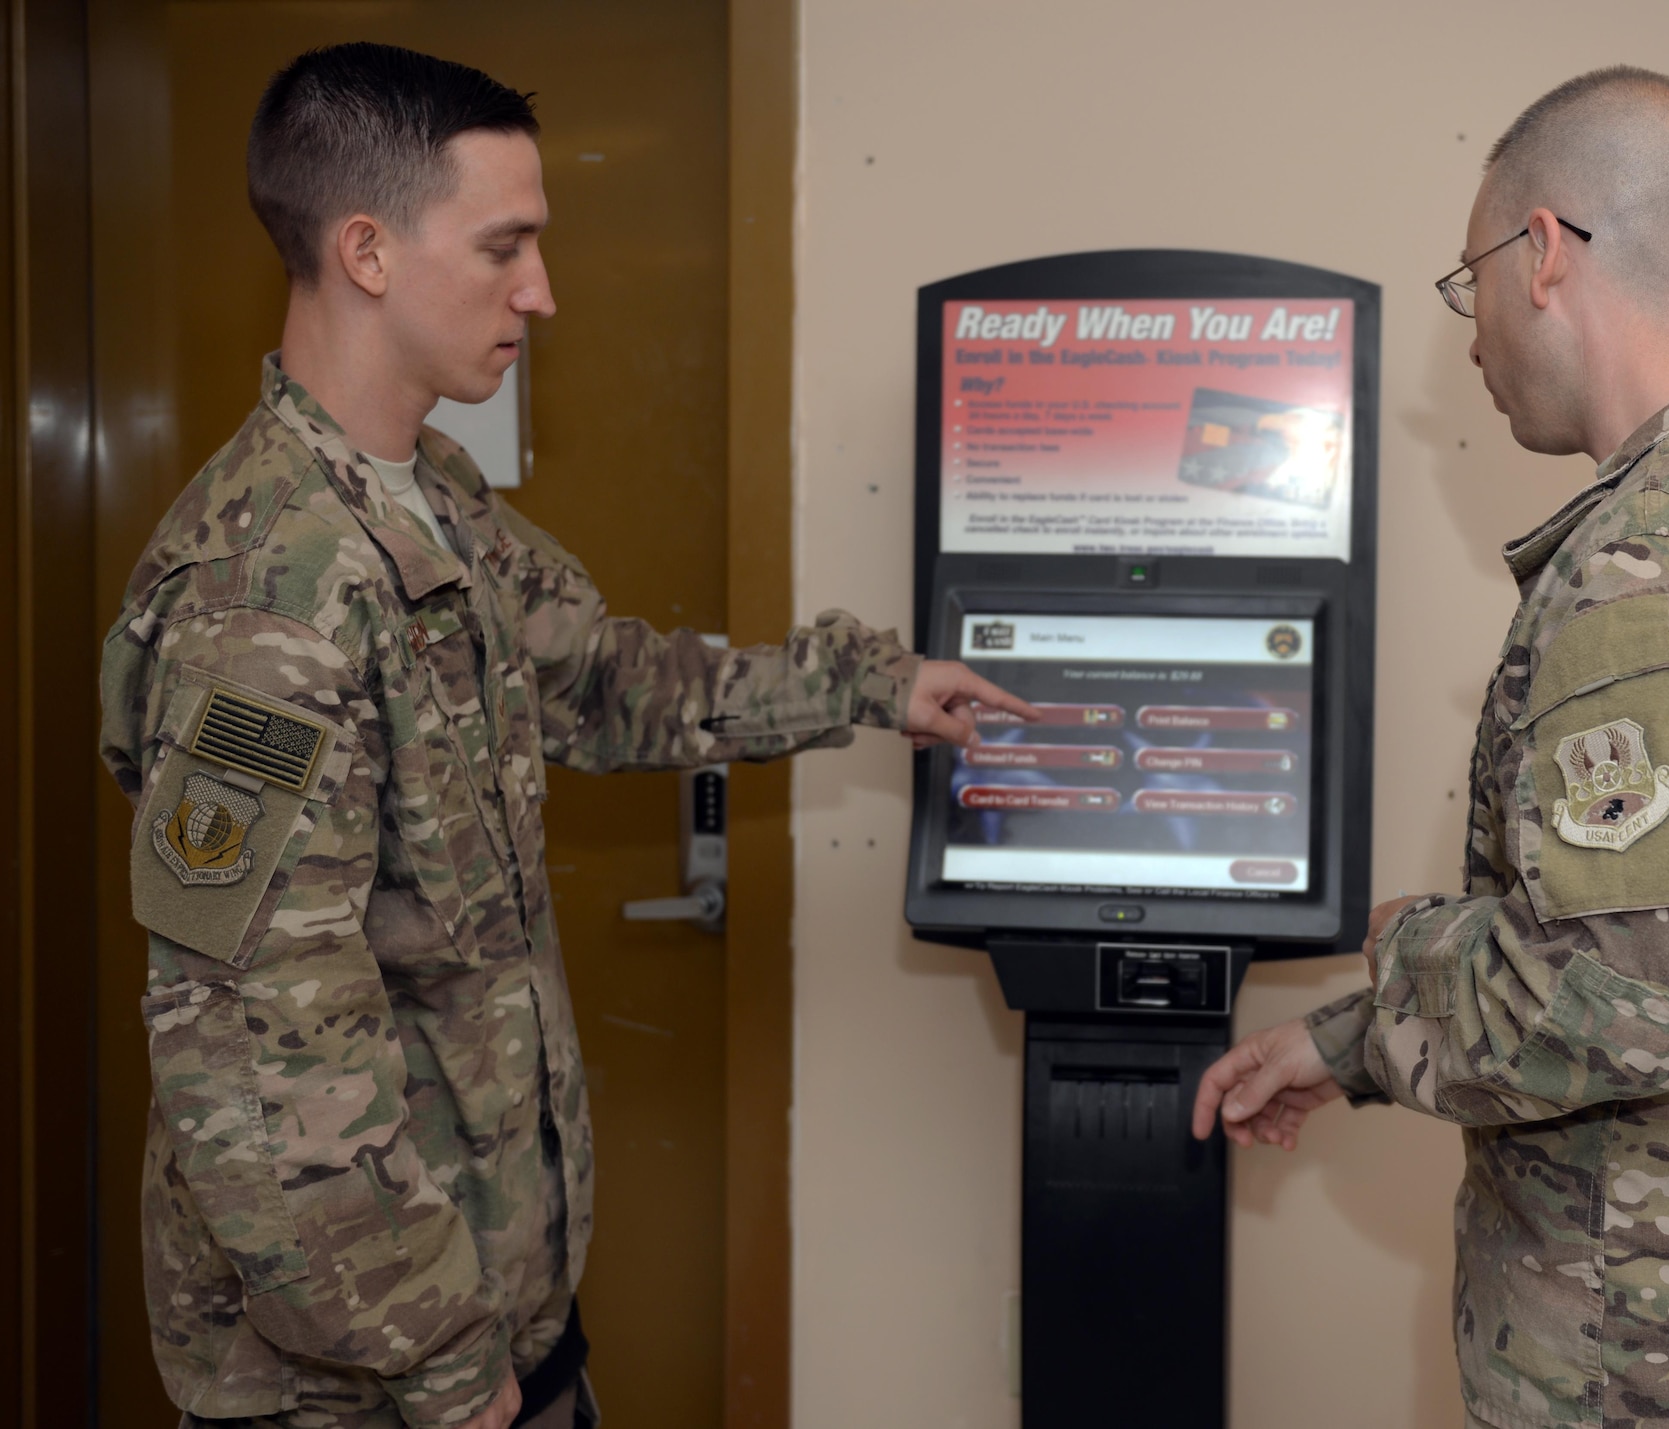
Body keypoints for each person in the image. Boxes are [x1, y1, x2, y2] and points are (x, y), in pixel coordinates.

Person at [99, 43, 1033, 1429]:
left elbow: (601, 679)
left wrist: (868, 688)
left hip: (495, 1321)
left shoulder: (429, 498)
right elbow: (253, 1051)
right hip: (354, 1381)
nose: (543, 290)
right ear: (366, 250)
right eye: (506, 246)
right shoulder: (268, 598)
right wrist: (437, 1362)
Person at [1193, 66, 1669, 1429]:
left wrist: (1403, 943)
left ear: (1541, 254)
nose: (1470, 336)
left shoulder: (1645, 570)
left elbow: (1611, 1005)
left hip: (1655, 1354)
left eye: (1470, 274)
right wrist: (1354, 1047)